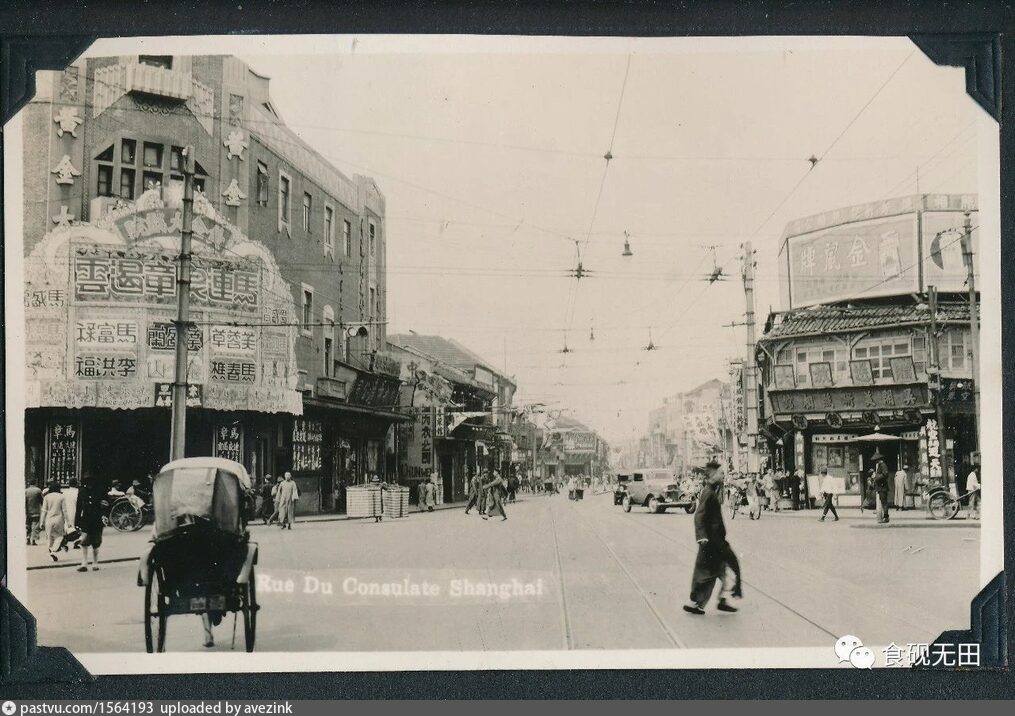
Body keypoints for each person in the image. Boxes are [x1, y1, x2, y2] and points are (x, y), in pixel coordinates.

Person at [684, 459, 742, 615]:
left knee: (721, 569)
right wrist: (702, 536)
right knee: (710, 572)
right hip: (712, 542)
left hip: (716, 541)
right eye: (721, 473)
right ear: (713, 475)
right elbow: (699, 516)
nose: (723, 475)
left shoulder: (713, 490)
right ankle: (696, 603)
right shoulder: (708, 493)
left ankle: (719, 600)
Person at [75, 473, 105, 572]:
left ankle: (95, 563)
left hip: (96, 519)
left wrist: (104, 515)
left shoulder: (98, 491)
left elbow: (104, 505)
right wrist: (77, 521)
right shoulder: (82, 492)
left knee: (96, 542)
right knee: (84, 542)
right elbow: (78, 508)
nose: (89, 484)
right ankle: (84, 563)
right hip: (86, 520)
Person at [38, 480, 69, 562]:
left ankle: (51, 552)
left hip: (49, 519)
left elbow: (44, 510)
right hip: (59, 519)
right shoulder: (61, 496)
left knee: (49, 537)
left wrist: (41, 521)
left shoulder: (47, 497)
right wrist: (68, 521)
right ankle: (54, 550)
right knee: (59, 536)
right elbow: (64, 510)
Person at [59, 478, 81, 550]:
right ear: (76, 484)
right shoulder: (78, 492)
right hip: (75, 511)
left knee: (68, 527)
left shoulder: (65, 492)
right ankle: (75, 542)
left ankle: (63, 541)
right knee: (77, 527)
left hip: (66, 511)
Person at [872, 451, 890, 524]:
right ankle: (885, 516)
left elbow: (885, 474)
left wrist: (876, 477)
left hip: (882, 486)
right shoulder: (880, 465)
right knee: (883, 502)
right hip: (880, 486)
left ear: (878, 459)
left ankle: (886, 517)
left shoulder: (883, 465)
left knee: (884, 502)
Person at [25, 481, 43, 546]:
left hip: (28, 511)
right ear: (35, 483)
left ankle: (28, 538)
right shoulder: (38, 490)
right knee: (35, 526)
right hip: (36, 511)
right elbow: (42, 500)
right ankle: (33, 540)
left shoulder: (26, 491)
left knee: (28, 525)